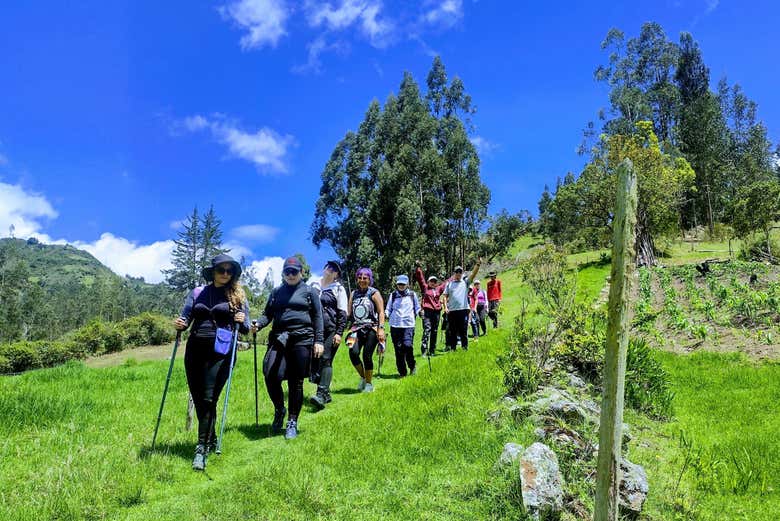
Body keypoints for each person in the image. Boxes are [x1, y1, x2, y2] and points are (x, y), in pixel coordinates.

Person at [173, 254, 250, 471]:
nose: (225, 274)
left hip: (221, 352)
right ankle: (211, 436)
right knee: (200, 400)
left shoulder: (237, 296)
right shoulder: (198, 292)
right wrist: (180, 323)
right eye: (221, 270)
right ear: (213, 271)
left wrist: (242, 321)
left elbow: (244, 330)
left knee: (208, 398)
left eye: (229, 271)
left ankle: (201, 448)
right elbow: (186, 318)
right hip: (194, 350)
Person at [252, 256, 324, 440]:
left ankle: (292, 421)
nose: (291, 275)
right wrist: (258, 325)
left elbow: (317, 317)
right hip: (279, 339)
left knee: (296, 381)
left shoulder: (309, 292)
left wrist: (319, 341)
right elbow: (267, 314)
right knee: (270, 375)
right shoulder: (276, 292)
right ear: (283, 273)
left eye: (294, 271)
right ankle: (279, 409)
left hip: (303, 340)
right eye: (287, 271)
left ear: (301, 272)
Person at [309, 260, 348, 409]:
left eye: (334, 269)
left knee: (326, 359)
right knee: (315, 361)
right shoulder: (313, 284)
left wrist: (339, 332)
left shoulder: (338, 289)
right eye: (328, 266)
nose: (330, 269)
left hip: (330, 329)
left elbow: (343, 313)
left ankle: (321, 394)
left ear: (337, 274)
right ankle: (327, 394)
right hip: (312, 329)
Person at [347, 267, 385, 393]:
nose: (362, 280)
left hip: (372, 328)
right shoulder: (353, 294)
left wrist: (381, 329)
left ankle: (369, 384)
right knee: (353, 352)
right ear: (357, 279)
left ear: (369, 279)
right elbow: (349, 313)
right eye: (360, 278)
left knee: (367, 356)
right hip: (356, 328)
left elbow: (381, 312)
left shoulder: (374, 293)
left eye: (365, 278)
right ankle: (363, 377)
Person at [441, 258, 482, 351]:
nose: (458, 273)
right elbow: (444, 297)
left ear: (462, 273)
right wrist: (445, 308)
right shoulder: (449, 284)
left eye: (460, 272)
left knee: (463, 330)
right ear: (454, 273)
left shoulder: (465, 283)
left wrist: (478, 265)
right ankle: (453, 349)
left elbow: (473, 274)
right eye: (457, 272)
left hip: (463, 310)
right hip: (452, 311)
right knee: (453, 331)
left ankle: (465, 348)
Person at [386, 274, 421, 377]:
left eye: (403, 284)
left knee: (407, 345)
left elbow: (417, 307)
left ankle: (412, 365)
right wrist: (386, 315)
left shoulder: (412, 295)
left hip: (408, 324)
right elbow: (388, 309)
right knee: (398, 349)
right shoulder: (393, 295)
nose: (401, 286)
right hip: (395, 325)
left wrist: (420, 312)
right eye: (399, 284)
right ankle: (402, 372)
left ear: (407, 284)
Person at [414, 262, 446, 357]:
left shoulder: (438, 289)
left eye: (435, 281)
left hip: (436, 312)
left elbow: (446, 283)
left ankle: (432, 350)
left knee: (435, 331)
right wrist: (418, 267)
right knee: (427, 330)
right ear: (428, 282)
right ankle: (424, 351)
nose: (433, 283)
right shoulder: (425, 288)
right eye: (431, 281)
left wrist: (457, 276)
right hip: (427, 312)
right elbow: (420, 278)